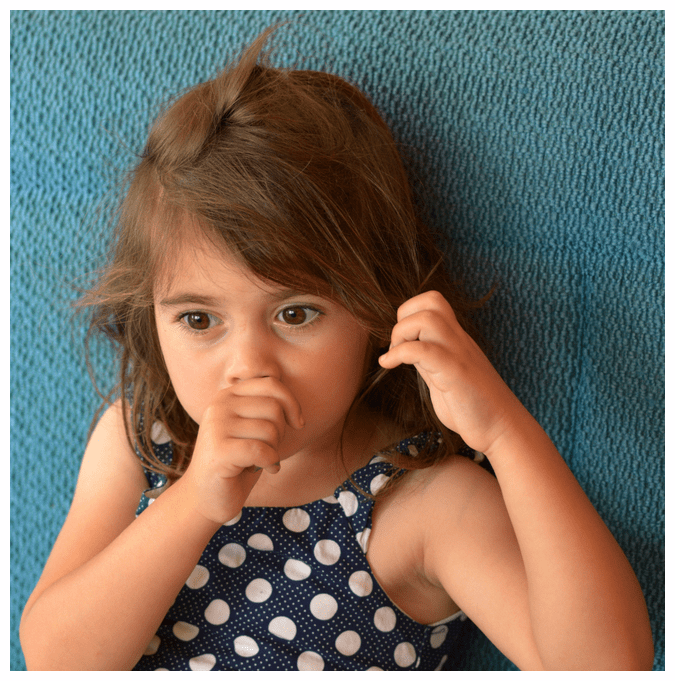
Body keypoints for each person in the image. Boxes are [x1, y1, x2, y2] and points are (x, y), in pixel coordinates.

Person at [19, 26, 653, 671]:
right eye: (199, 319)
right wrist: (190, 506)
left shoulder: (421, 504)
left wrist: (507, 435)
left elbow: (607, 664)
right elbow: (54, 659)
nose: (247, 366)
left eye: (296, 314)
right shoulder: (138, 447)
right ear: (150, 316)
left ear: (377, 312)